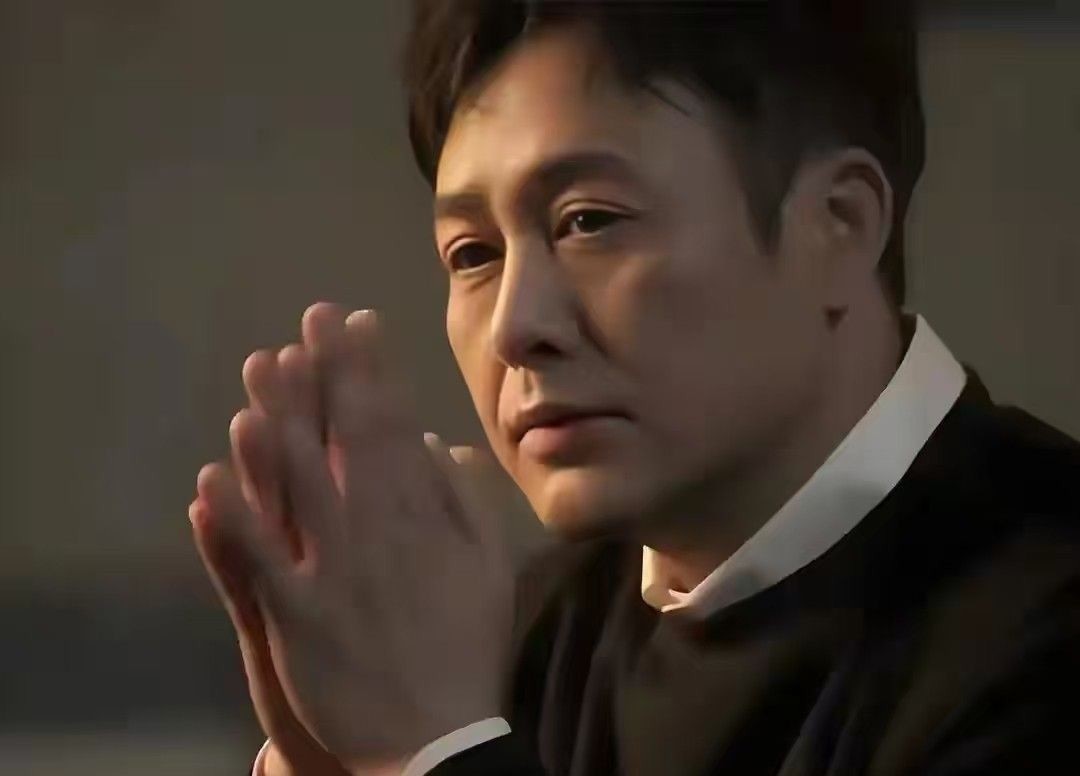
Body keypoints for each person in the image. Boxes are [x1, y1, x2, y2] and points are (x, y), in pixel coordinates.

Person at [189, 1, 1080, 774]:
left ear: (837, 227)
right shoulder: (522, 632)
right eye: (473, 254)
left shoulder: (1043, 628)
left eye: (589, 221)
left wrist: (433, 750)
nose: (514, 327)